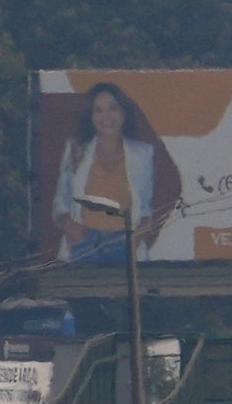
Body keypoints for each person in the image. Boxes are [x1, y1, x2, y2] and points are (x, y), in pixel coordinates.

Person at [43, 80, 182, 265]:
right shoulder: (76, 149)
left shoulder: (142, 153)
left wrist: (133, 244)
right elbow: (61, 203)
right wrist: (75, 234)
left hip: (124, 244)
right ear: (90, 116)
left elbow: (145, 209)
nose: (106, 117)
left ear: (123, 112)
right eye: (98, 110)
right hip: (84, 245)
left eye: (112, 108)